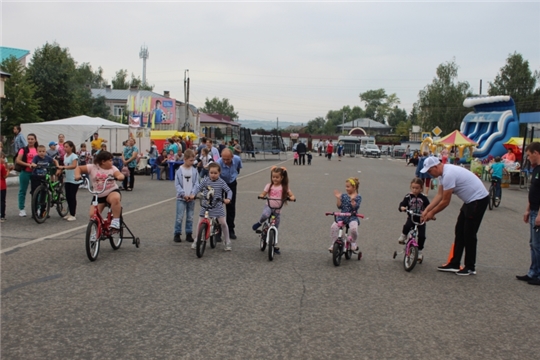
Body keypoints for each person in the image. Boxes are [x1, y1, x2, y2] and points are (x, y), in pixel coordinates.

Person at [420, 156, 489, 275]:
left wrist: (432, 213)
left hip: (478, 199)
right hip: (470, 201)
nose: (429, 174)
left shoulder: (449, 174)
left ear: (436, 166)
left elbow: (445, 201)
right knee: (459, 230)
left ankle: (470, 266)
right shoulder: (442, 175)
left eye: (430, 171)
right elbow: (439, 196)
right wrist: (426, 211)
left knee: (469, 233)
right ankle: (455, 263)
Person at [75, 151, 125, 230]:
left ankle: (116, 221)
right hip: (98, 194)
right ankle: (97, 231)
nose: (112, 162)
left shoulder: (113, 168)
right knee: (92, 215)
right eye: (110, 160)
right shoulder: (92, 167)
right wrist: (77, 175)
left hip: (111, 191)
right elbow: (79, 168)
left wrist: (120, 176)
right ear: (103, 161)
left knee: (115, 199)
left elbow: (118, 174)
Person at [189, 162, 233, 251]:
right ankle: (197, 239)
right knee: (200, 222)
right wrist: (193, 194)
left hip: (217, 205)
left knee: (223, 223)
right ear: (208, 172)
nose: (213, 175)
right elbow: (198, 187)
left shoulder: (221, 182)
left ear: (219, 173)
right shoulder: (205, 180)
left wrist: (228, 198)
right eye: (211, 173)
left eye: (215, 173)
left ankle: (227, 241)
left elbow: (229, 191)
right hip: (205, 205)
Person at [252, 166, 295, 254]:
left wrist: (292, 198)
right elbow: (263, 193)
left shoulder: (284, 187)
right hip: (269, 206)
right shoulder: (269, 185)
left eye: (277, 177)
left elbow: (291, 195)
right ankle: (259, 223)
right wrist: (262, 196)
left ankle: (273, 245)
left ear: (282, 177)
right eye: (273, 177)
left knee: (275, 227)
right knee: (265, 215)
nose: (274, 179)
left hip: (277, 210)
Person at [517, 142, 540, 285]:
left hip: (538, 211)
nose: (528, 158)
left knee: (538, 244)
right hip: (533, 209)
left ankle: (538, 274)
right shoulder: (536, 169)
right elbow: (534, 191)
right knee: (533, 243)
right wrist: (527, 209)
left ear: (536, 153)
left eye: (529, 155)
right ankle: (533, 272)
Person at [398, 178, 430, 260]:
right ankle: (403, 236)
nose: (415, 190)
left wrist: (430, 214)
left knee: (422, 236)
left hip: (421, 219)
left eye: (417, 188)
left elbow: (429, 207)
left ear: (421, 188)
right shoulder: (408, 196)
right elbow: (403, 203)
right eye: (413, 188)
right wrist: (402, 207)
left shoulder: (424, 198)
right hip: (412, 217)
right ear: (411, 187)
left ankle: (419, 251)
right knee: (407, 226)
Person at [329, 177, 362, 252]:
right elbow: (339, 206)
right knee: (333, 227)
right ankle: (333, 244)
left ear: (354, 187)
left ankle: (353, 242)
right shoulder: (344, 196)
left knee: (353, 229)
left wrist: (353, 200)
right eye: (346, 186)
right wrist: (338, 199)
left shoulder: (358, 197)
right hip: (342, 216)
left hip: (352, 217)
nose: (346, 188)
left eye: (348, 187)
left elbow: (355, 207)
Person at [217, 148, 242, 239]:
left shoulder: (237, 159)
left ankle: (230, 229)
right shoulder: (218, 162)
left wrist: (233, 177)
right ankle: (217, 231)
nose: (225, 161)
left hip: (231, 182)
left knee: (231, 206)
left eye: (228, 159)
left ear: (232, 157)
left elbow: (238, 169)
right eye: (224, 159)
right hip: (220, 183)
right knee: (217, 206)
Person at [173, 149, 198, 243]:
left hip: (191, 197)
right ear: (185, 159)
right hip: (181, 198)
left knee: (190, 216)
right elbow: (177, 184)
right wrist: (183, 194)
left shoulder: (194, 171)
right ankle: (177, 233)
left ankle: (189, 233)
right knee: (179, 216)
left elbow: (196, 183)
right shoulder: (179, 170)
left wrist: (193, 193)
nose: (192, 162)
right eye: (190, 160)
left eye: (193, 160)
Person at [16, 133, 38, 217]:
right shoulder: (23, 149)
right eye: (29, 139)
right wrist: (28, 164)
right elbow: (18, 160)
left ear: (35, 140)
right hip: (25, 171)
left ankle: (37, 208)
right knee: (22, 190)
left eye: (32, 139)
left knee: (36, 191)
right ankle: (21, 209)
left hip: (36, 173)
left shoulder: (37, 149)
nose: (30, 140)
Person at [57, 141, 80, 221]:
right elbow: (66, 166)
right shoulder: (65, 156)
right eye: (64, 147)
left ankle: (73, 214)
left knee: (72, 196)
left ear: (71, 147)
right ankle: (70, 213)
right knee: (67, 196)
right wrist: (61, 170)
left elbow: (74, 166)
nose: (65, 148)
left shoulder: (74, 156)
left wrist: (63, 167)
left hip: (74, 179)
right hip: (68, 179)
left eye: (67, 147)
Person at [1, 152, 12, 222]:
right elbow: (5, 176)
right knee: (2, 201)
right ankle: (2, 216)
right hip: (2, 185)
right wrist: (8, 171)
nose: (4, 160)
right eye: (3, 158)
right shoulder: (2, 166)